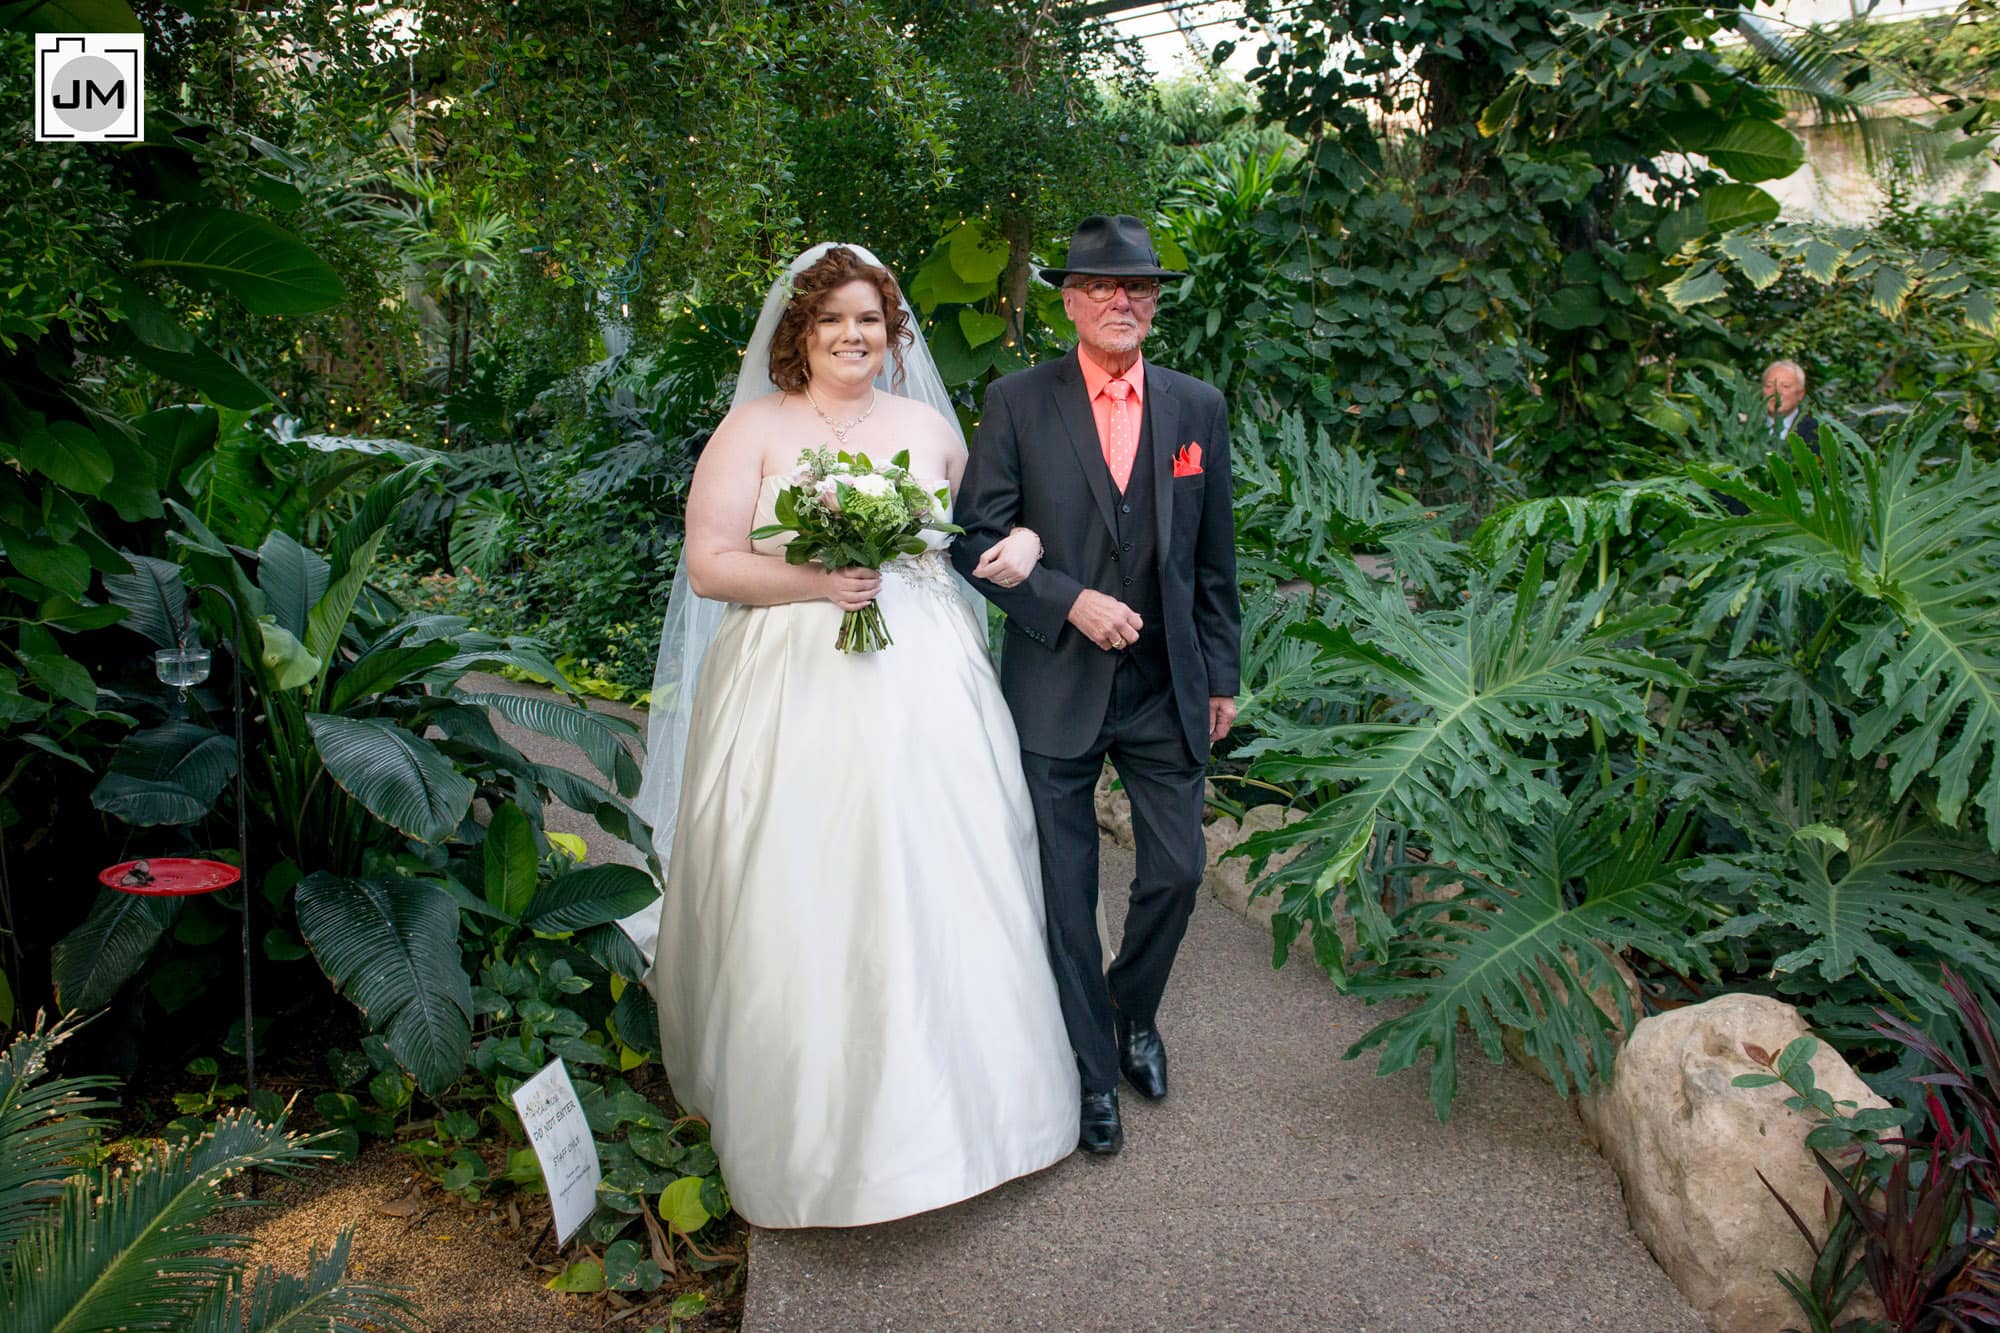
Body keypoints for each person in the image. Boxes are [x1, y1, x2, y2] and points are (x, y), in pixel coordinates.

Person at [634, 243, 1079, 1228]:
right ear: (798, 331)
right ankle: (808, 1121)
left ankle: (971, 1110)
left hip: (926, 674)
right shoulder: (751, 429)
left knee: (944, 864)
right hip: (790, 675)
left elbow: (980, 531)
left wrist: (1029, 542)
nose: (851, 336)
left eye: (868, 320)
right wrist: (813, 581)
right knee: (808, 868)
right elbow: (710, 565)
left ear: (892, 332)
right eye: (832, 319)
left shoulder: (926, 426)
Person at [950, 216, 1241, 1157]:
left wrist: (1221, 674)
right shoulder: (1018, 401)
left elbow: (1214, 561)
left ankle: (1134, 1015)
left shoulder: (1197, 407)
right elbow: (971, 541)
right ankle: (1087, 1072)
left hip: (1166, 686)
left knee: (1177, 871)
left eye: (1142, 288)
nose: (1125, 302)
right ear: (1070, 300)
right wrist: (1068, 600)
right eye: (1105, 287)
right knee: (1064, 893)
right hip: (1055, 683)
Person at [1760, 358, 1819, 450]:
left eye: (1785, 386)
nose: (1776, 392)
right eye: (1769, 386)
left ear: (1800, 394)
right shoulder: (1744, 428)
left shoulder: (1815, 432)